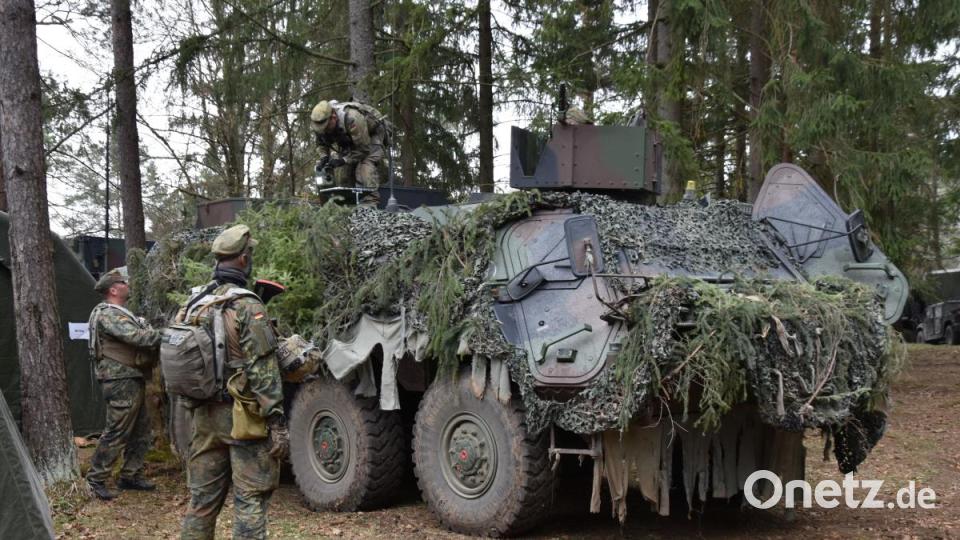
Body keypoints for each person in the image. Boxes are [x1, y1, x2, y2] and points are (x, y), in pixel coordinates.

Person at [180, 224, 289, 540]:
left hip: (203, 415)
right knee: (250, 498)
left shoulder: (194, 302)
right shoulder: (247, 305)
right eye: (249, 253)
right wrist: (277, 423)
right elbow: (263, 369)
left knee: (201, 502)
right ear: (243, 259)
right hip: (244, 418)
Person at [86, 267, 161, 501]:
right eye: (124, 283)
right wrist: (168, 334)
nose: (128, 286)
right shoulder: (108, 314)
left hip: (130, 375)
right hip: (119, 378)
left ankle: (130, 474)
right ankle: (96, 479)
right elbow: (138, 338)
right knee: (117, 429)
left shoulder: (120, 313)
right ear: (113, 289)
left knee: (141, 429)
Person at [310, 99, 389, 200]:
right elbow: (321, 143)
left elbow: (364, 149)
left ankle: (370, 202)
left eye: (326, 127)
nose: (324, 130)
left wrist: (344, 160)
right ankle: (347, 203)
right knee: (343, 175)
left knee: (365, 166)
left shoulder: (352, 118)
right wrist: (324, 157)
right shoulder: (319, 124)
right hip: (352, 139)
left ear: (333, 117)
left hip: (372, 134)